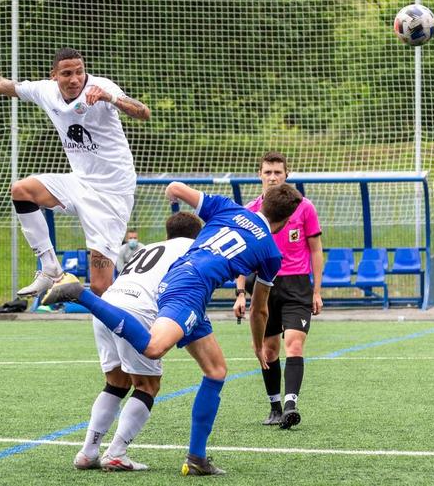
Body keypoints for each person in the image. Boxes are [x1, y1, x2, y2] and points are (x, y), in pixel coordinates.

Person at [43, 181, 303, 476]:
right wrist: (258, 346)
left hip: (185, 283)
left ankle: (197, 458)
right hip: (189, 288)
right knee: (154, 347)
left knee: (216, 371)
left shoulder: (228, 207)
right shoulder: (271, 252)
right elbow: (259, 309)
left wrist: (172, 193)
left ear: (262, 201)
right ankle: (80, 293)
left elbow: (177, 188)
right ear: (288, 219)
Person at [0, 47, 150, 298]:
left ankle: (131, 326)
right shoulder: (45, 90)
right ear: (54, 75)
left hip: (113, 192)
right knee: (22, 190)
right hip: (79, 182)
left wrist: (111, 98)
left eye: (79, 72)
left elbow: (143, 112)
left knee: (101, 286)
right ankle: (50, 268)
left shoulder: (101, 87)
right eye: (67, 73)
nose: (75, 79)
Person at [70, 212, 202, 472]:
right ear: (196, 235)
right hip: (137, 309)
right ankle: (117, 452)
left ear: (168, 234)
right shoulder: (192, 248)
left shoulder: (151, 247)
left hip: (107, 304)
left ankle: (88, 451)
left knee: (116, 383)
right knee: (147, 385)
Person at [233, 152, 324, 430]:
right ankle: (274, 407)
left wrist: (316, 290)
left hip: (297, 285)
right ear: (260, 175)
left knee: (294, 344)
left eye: (278, 173)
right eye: (268, 172)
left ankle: (290, 405)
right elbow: (241, 253)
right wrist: (239, 292)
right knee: (269, 350)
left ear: (287, 175)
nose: (272, 177)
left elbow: (316, 250)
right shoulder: (249, 211)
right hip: (263, 286)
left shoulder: (304, 207)